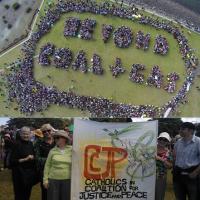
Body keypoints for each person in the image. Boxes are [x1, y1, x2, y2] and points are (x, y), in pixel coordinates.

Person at [173, 122, 200, 200]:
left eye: (183, 129)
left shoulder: (198, 142)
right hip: (178, 175)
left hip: (192, 174)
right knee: (179, 197)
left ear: (191, 131)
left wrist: (195, 172)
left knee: (194, 197)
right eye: (180, 129)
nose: (180, 131)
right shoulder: (178, 142)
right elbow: (175, 157)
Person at [43, 130, 72, 200]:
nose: (56, 139)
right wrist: (45, 180)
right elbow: (47, 166)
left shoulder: (72, 149)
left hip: (68, 179)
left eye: (58, 137)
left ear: (65, 139)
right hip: (53, 179)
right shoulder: (52, 151)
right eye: (55, 137)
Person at [10, 126, 37, 200]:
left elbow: (33, 155)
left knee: (27, 193)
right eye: (24, 134)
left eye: (27, 134)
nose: (26, 135)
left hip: (29, 174)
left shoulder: (31, 144)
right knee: (19, 195)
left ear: (30, 134)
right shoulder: (16, 144)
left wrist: (34, 157)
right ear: (20, 134)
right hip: (18, 173)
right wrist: (25, 159)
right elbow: (12, 161)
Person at [34, 124, 55, 200]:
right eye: (44, 131)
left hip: (57, 171)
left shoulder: (57, 141)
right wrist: (51, 161)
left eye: (48, 130)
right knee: (45, 192)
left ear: (52, 131)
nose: (46, 132)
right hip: (44, 171)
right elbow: (37, 158)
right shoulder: (38, 143)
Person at [155, 132, 173, 200]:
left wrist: (161, 159)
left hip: (160, 177)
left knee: (159, 195)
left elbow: (170, 166)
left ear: (167, 142)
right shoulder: (151, 149)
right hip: (147, 176)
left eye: (165, 140)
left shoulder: (168, 152)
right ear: (158, 139)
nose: (162, 141)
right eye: (160, 139)